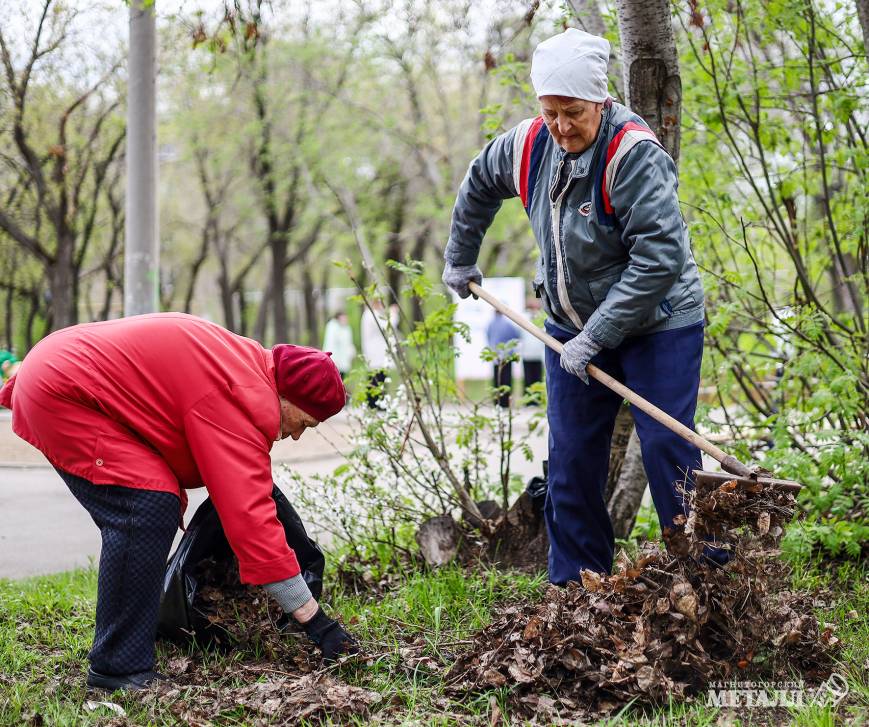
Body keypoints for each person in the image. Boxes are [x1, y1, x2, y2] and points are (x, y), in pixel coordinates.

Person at [442, 29, 706, 585]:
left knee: (667, 451)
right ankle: (577, 593)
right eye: (551, 112)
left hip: (659, 325)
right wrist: (460, 259)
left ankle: (700, 584)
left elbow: (659, 260)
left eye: (574, 112)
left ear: (601, 101)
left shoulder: (632, 155)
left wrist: (599, 334)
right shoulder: (529, 144)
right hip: (572, 327)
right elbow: (478, 183)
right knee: (570, 465)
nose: (562, 126)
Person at [0, 314, 359, 691]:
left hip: (61, 369)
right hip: (64, 392)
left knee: (150, 505)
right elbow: (251, 521)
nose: (299, 435)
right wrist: (315, 621)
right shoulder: (237, 399)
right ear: (288, 397)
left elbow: (247, 490)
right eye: (305, 422)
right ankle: (116, 670)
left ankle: (131, 640)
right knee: (144, 509)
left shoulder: (243, 370)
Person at [360, 300, 398, 409]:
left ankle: (376, 403)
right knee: (377, 379)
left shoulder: (369, 314)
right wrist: (393, 313)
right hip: (376, 353)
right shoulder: (371, 315)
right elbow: (387, 327)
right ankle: (374, 404)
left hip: (376, 353)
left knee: (378, 378)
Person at [485, 311, 520, 408]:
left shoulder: (490, 324)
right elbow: (517, 335)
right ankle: (506, 403)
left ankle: (497, 403)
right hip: (507, 355)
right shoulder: (508, 324)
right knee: (507, 379)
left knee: (497, 380)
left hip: (495, 356)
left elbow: (488, 337)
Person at [519, 298, 545, 397]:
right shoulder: (524, 318)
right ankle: (528, 400)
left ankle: (537, 400)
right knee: (527, 378)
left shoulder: (540, 319)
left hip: (538, 355)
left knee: (537, 378)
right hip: (527, 354)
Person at [322, 310, 356, 380]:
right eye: (343, 317)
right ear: (338, 318)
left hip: (343, 360)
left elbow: (348, 343)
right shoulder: (332, 327)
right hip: (334, 359)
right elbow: (330, 344)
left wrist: (351, 352)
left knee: (341, 378)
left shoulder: (346, 329)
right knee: (333, 379)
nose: (345, 320)